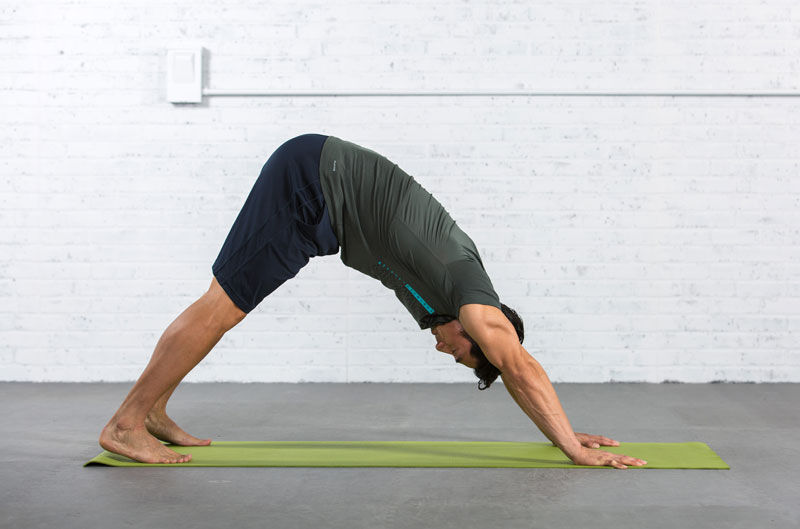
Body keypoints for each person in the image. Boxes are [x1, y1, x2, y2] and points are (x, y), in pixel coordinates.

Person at [99, 134, 647, 469]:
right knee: (220, 308)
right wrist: (576, 452)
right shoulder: (471, 294)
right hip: (309, 186)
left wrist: (562, 431)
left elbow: (509, 372)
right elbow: (517, 362)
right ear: (478, 330)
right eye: (461, 352)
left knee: (223, 307)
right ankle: (125, 423)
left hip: (316, 205)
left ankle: (151, 411)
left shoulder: (447, 301)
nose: (445, 352)